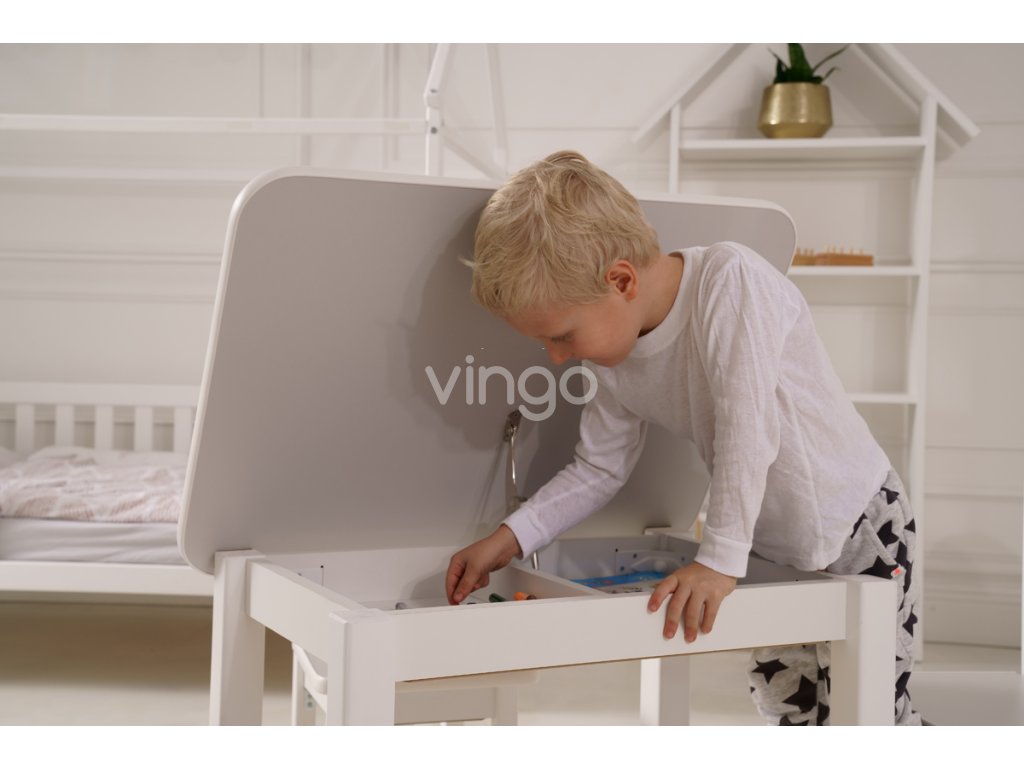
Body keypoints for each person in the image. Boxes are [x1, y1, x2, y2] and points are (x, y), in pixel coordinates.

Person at [444, 150, 920, 726]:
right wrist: (510, 537)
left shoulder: (730, 282)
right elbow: (598, 468)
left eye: (562, 336)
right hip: (769, 543)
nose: (557, 357)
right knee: (789, 709)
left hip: (861, 524)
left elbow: (749, 428)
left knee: (873, 717)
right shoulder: (615, 360)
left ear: (621, 280)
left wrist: (717, 561)